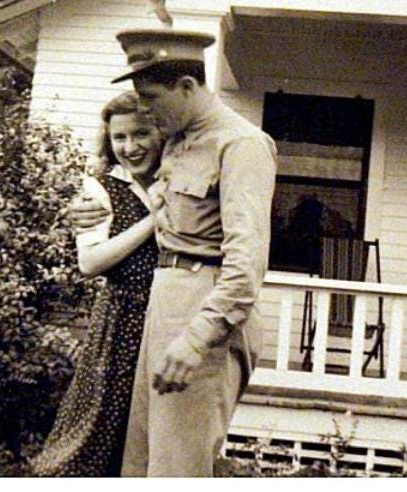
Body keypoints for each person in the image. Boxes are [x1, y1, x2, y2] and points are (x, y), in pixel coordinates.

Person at [110, 29, 277, 476]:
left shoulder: (241, 145)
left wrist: (198, 338)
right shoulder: (180, 136)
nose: (143, 110)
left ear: (187, 87)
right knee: (143, 464)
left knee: (177, 470)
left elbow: (246, 263)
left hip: (204, 311)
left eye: (150, 97)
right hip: (164, 304)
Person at [31, 91, 163, 476]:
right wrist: (153, 221)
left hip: (168, 320)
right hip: (122, 324)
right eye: (119, 137)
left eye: (140, 134)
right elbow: (89, 262)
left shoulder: (177, 180)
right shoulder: (102, 188)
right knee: (100, 429)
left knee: (153, 438)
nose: (130, 147)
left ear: (160, 134)